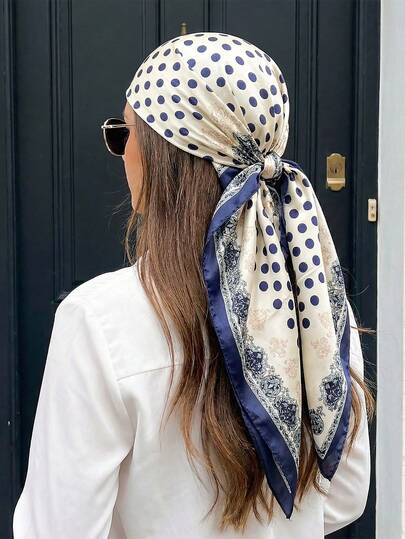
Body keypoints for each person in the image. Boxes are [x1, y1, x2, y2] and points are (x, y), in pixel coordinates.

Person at [13, 32, 375, 538]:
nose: (121, 152)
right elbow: (347, 492)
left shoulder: (98, 319)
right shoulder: (317, 305)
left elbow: (57, 528)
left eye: (124, 133)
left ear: (162, 156)